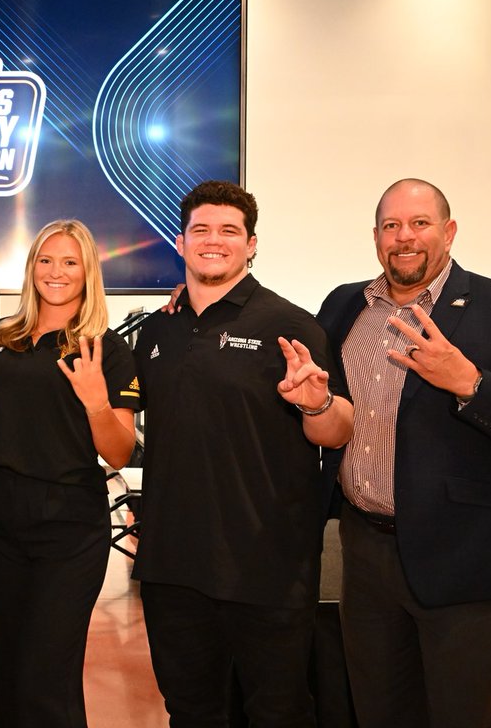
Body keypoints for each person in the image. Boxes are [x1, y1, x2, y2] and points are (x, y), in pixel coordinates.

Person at [318, 178, 491, 728]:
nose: (404, 237)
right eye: (391, 225)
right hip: (364, 553)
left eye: (419, 223)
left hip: (460, 557)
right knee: (378, 713)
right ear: (375, 237)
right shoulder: (344, 305)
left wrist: (470, 383)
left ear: (449, 231)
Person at [134, 180, 353, 727]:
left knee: (277, 714)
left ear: (251, 244)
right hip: (173, 568)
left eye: (229, 231)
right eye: (201, 230)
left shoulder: (292, 327)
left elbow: (339, 429)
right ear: (180, 242)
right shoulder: (156, 329)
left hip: (268, 569)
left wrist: (316, 403)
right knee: (190, 711)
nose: (214, 241)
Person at [0, 218, 140, 728]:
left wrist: (95, 402)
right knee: (2, 669)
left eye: (70, 262)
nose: (56, 272)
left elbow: (118, 452)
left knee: (47, 675)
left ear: (87, 272)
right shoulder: (1, 339)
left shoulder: (105, 349)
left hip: (68, 525)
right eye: (46, 260)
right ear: (31, 268)